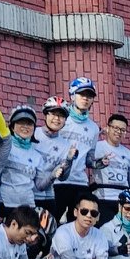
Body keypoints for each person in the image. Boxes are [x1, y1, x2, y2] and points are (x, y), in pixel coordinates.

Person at [0, 105, 71, 222]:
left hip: (28, 208)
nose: (26, 127)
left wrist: (52, 175)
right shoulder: (4, 147)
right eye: (21, 123)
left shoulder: (36, 155)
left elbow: (40, 186)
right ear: (12, 126)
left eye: (30, 124)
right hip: (6, 206)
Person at [47, 80, 101, 220]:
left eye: (89, 95)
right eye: (81, 94)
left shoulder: (94, 128)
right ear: (72, 95)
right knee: (50, 223)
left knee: (78, 225)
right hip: (58, 181)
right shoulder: (61, 120)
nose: (85, 98)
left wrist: (98, 163)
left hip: (80, 183)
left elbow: (89, 159)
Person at [89, 114, 130, 206]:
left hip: (123, 200)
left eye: (123, 130)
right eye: (116, 128)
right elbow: (88, 163)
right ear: (108, 128)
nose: (119, 132)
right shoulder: (97, 147)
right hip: (103, 198)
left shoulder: (128, 153)